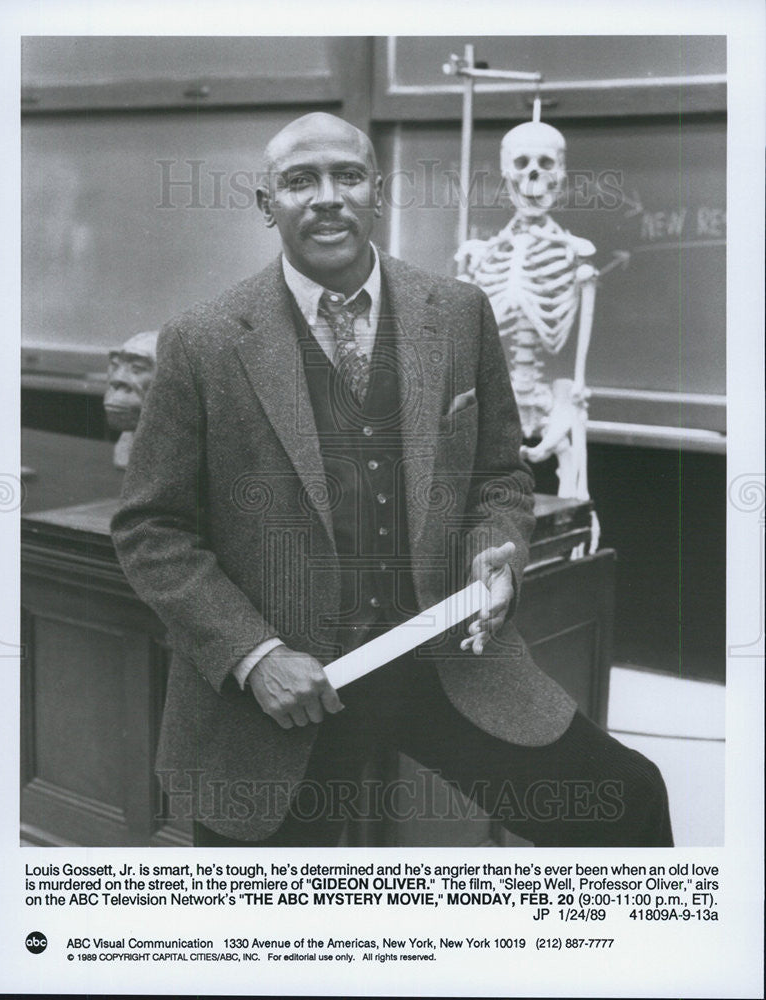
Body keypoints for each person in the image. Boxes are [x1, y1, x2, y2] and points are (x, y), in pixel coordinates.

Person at [111, 112, 672, 847]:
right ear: (265, 204)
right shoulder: (202, 341)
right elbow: (152, 529)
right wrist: (255, 657)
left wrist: (496, 550)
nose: (326, 197)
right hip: (285, 687)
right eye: (298, 181)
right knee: (266, 937)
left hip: (440, 656)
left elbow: (500, 475)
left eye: (347, 176)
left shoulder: (460, 313)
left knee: (624, 801)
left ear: (379, 191)